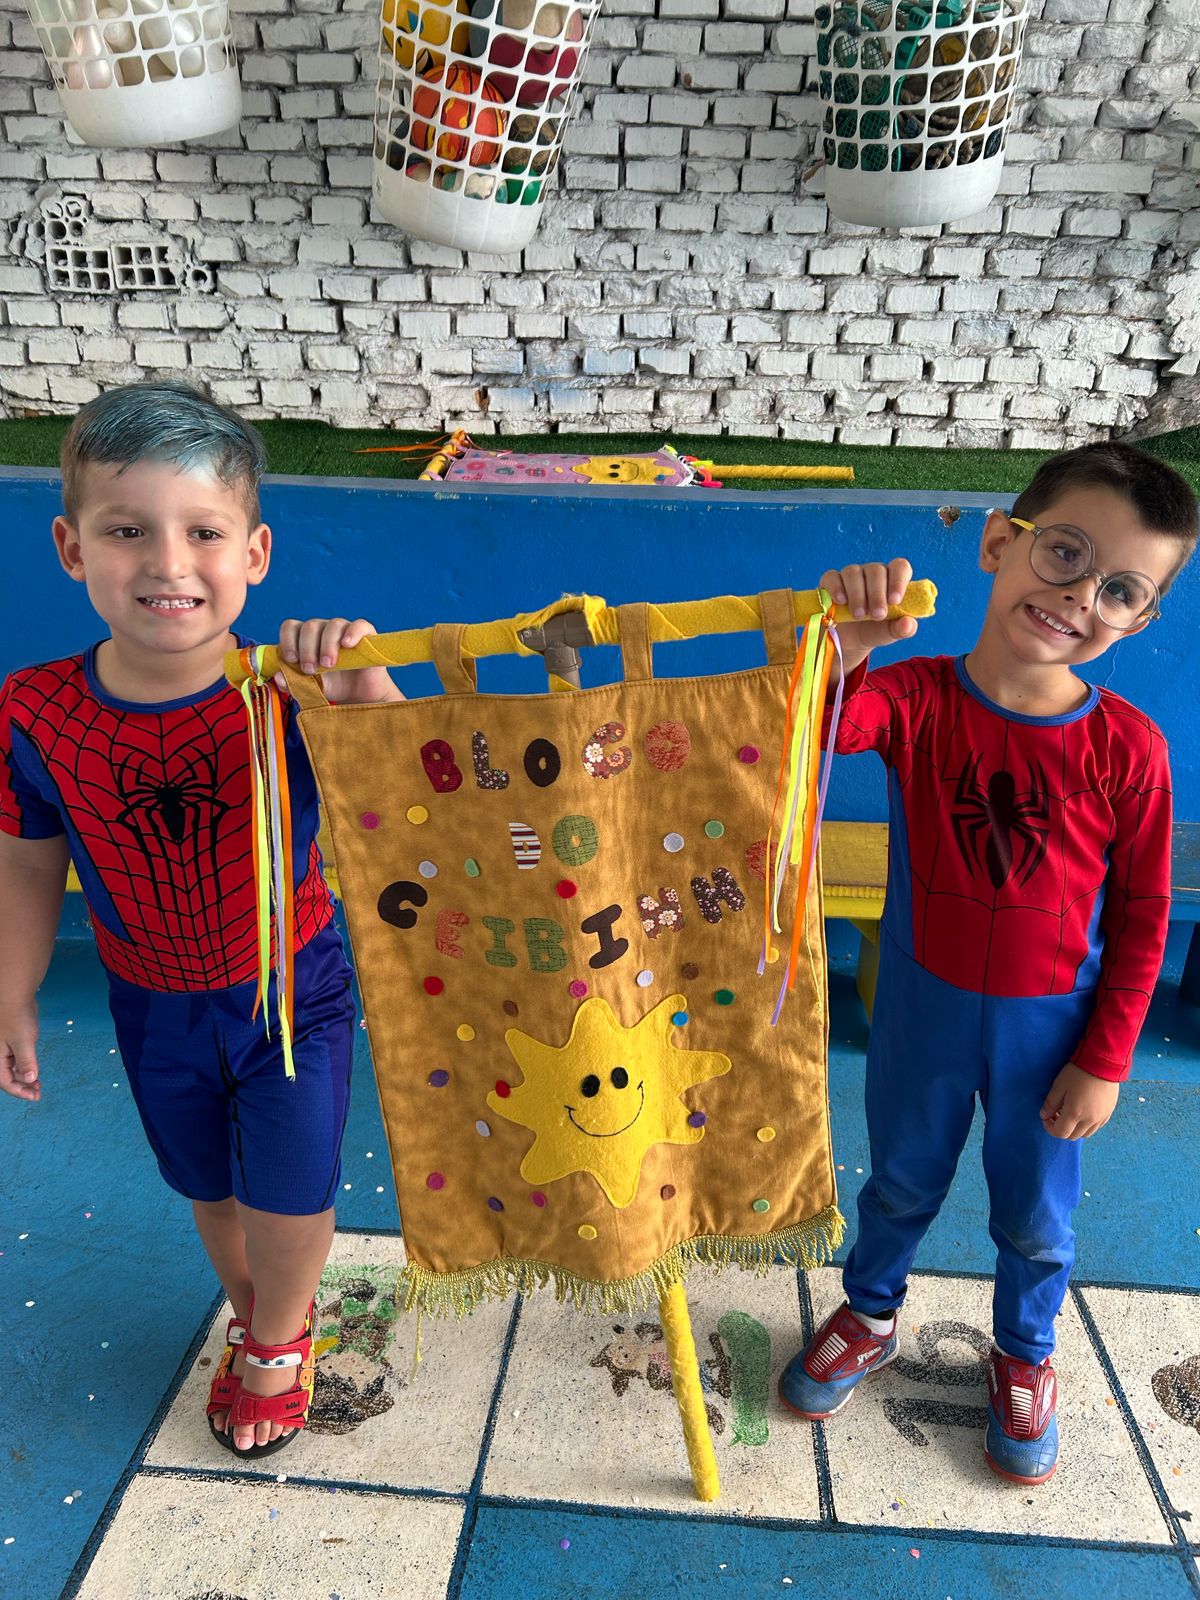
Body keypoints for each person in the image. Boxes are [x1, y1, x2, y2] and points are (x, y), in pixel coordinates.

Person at [778, 442, 1197, 1485]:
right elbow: (812, 730)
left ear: (1140, 620)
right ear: (1001, 543)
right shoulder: (915, 697)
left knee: (1038, 1216)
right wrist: (849, 644)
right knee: (900, 1182)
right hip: (919, 1007)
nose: (1080, 596)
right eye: (1065, 552)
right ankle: (870, 1311)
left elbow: (1143, 917)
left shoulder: (1129, 749)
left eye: (1120, 589)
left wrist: (1105, 1060)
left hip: (1052, 1028)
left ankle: (1026, 1350)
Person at [0, 380, 402, 1459]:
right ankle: (256, 1308)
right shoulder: (34, 711)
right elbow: (28, 861)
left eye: (204, 532)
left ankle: (278, 1334)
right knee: (208, 1184)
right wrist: (13, 991)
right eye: (127, 530)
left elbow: (419, 795)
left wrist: (368, 688)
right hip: (152, 1004)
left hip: (292, 991)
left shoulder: (296, 691)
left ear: (255, 554)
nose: (168, 562)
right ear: (72, 548)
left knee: (291, 1189)